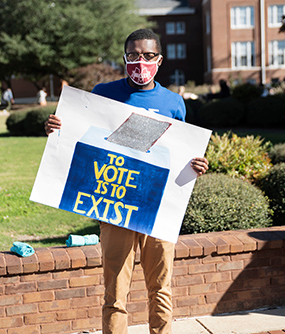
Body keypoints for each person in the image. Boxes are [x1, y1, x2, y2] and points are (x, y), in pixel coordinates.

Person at [45, 29, 209, 334]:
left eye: (147, 56)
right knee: (115, 295)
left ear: (159, 60)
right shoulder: (103, 92)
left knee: (160, 290)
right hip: (114, 203)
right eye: (133, 55)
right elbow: (80, 135)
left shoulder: (173, 102)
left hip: (156, 208)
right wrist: (56, 128)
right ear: (124, 58)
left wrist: (196, 163)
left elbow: (180, 151)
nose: (140, 61)